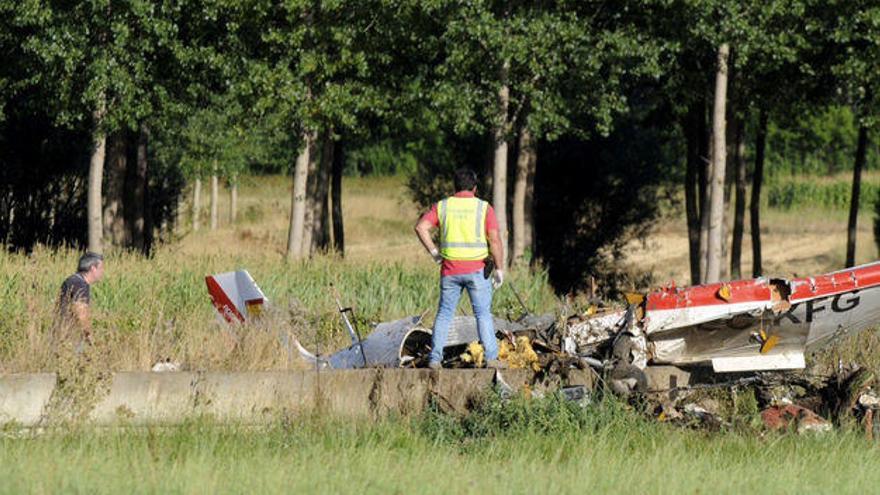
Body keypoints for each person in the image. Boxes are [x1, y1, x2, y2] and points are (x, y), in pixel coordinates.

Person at [414, 169, 505, 369]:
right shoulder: (483, 208)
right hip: (477, 270)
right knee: (482, 314)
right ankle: (491, 358)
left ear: (454, 187)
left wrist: (434, 252)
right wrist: (499, 268)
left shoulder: (443, 206)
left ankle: (435, 359)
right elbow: (495, 240)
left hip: (449, 270)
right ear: (474, 187)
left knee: (445, 313)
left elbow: (421, 227)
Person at [58, 252, 105, 341]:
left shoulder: (75, 280)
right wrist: (89, 336)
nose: (102, 271)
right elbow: (81, 312)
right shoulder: (79, 284)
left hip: (64, 333)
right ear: (93, 268)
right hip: (70, 336)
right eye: (101, 268)